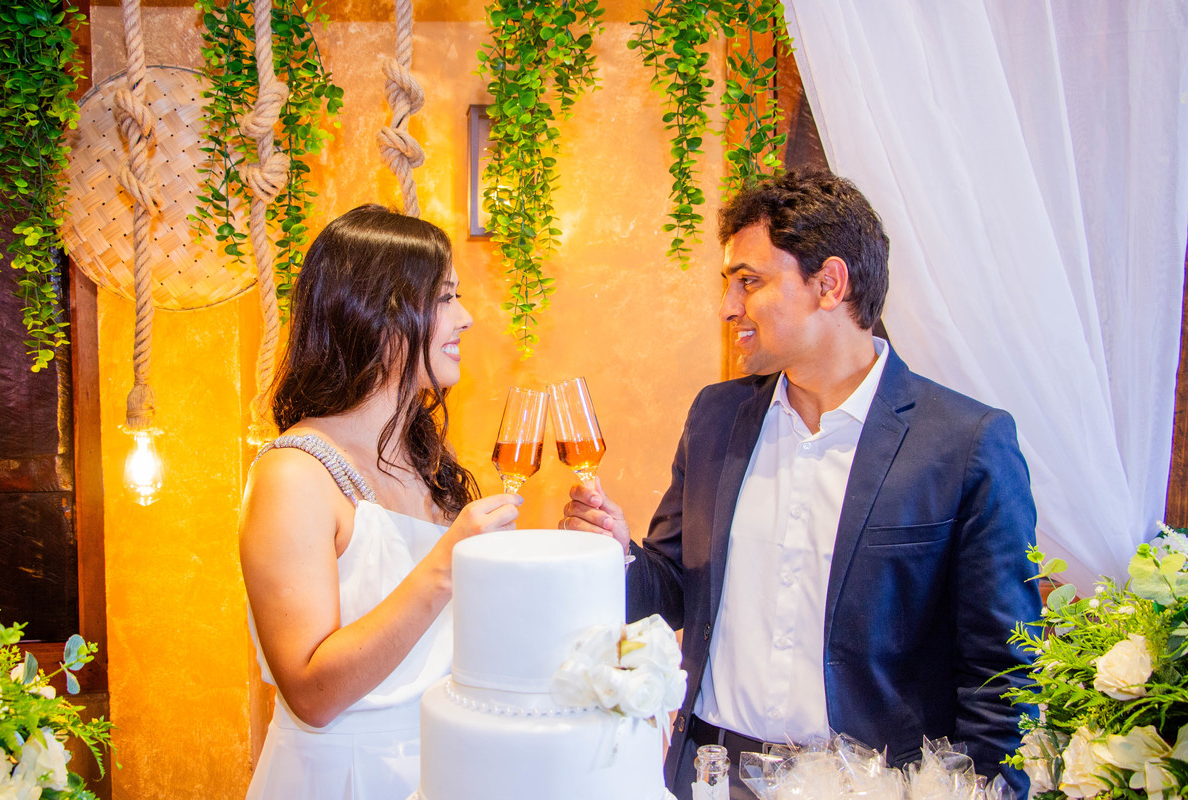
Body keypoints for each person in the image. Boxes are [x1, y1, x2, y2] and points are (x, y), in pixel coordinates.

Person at [561, 169, 1041, 799]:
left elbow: (1001, 676)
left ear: (830, 284)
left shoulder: (964, 443)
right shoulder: (716, 417)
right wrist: (617, 552)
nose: (729, 306)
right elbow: (674, 586)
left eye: (749, 281)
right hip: (709, 774)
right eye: (729, 283)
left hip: (869, 786)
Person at [240, 205, 522, 799]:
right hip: (345, 776)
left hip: (444, 767)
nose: (466, 318)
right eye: (445, 298)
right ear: (380, 313)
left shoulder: (426, 461)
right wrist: (444, 567)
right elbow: (311, 695)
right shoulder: (293, 475)